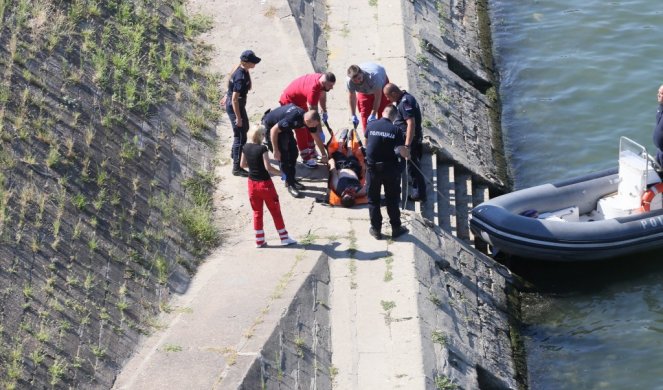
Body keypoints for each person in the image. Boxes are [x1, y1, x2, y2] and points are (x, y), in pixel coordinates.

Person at [240, 125, 297, 247]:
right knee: (275, 211)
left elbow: (242, 165)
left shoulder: (245, 147)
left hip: (251, 184)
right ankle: (284, 237)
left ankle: (259, 240)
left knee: (257, 212)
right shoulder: (263, 149)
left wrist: (254, 167)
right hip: (265, 184)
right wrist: (282, 173)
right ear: (261, 135)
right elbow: (268, 168)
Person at [365, 105, 409, 240]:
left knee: (373, 200)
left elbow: (368, 145)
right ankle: (396, 228)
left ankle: (376, 229)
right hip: (390, 170)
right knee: (392, 199)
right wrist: (408, 155)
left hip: (372, 169)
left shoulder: (371, 125)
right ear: (395, 117)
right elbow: (402, 151)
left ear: (383, 113)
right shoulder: (396, 130)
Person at [262, 104, 321, 198]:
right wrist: (276, 150)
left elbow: (315, 135)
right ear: (307, 121)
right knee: (283, 158)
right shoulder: (293, 118)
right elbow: (273, 130)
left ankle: (292, 179)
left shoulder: (306, 118)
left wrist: (324, 154)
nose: (315, 126)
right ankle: (289, 184)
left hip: (284, 129)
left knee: (294, 153)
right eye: (314, 124)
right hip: (272, 128)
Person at [279, 72, 334, 167]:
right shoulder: (313, 90)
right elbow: (314, 116)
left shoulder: (322, 79)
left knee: (310, 127)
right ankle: (305, 157)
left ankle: (312, 151)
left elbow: (323, 96)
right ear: (323, 83)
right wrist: (320, 131)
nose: (332, 88)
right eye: (330, 85)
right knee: (302, 128)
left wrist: (324, 111)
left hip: (300, 101)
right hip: (289, 101)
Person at [384, 83, 427, 202]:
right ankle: (417, 190)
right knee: (412, 165)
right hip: (410, 138)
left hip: (409, 140)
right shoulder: (406, 97)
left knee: (413, 166)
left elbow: (411, 123)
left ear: (394, 93)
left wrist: (407, 145)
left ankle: (419, 193)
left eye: (388, 96)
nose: (388, 99)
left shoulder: (404, 103)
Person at [222, 50, 261, 177]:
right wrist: (238, 118)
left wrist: (225, 96)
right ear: (246, 62)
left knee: (244, 130)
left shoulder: (239, 69)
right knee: (240, 136)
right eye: (253, 62)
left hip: (237, 104)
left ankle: (235, 154)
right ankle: (237, 168)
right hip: (235, 106)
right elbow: (234, 99)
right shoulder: (240, 77)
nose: (254, 63)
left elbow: (230, 86)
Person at [346, 62, 390, 132]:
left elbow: (378, 98)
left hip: (381, 87)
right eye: (355, 81)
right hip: (365, 90)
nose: (358, 82)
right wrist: (353, 115)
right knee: (364, 114)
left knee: (382, 113)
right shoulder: (349, 82)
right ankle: (367, 139)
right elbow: (352, 97)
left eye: (359, 78)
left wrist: (373, 114)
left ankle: (381, 136)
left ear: (362, 73)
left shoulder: (374, 76)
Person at [329, 129, 367, 207]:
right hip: (354, 168)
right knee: (350, 152)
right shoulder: (361, 192)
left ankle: (341, 140)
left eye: (346, 193)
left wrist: (331, 161)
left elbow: (334, 172)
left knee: (339, 151)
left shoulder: (337, 187)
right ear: (354, 197)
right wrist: (366, 168)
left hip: (341, 166)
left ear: (342, 195)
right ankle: (350, 139)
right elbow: (368, 181)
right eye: (351, 194)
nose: (349, 190)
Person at [653, 84, 663, 168]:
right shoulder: (660, 108)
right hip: (659, 151)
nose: (658, 95)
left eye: (661, 93)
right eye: (658, 92)